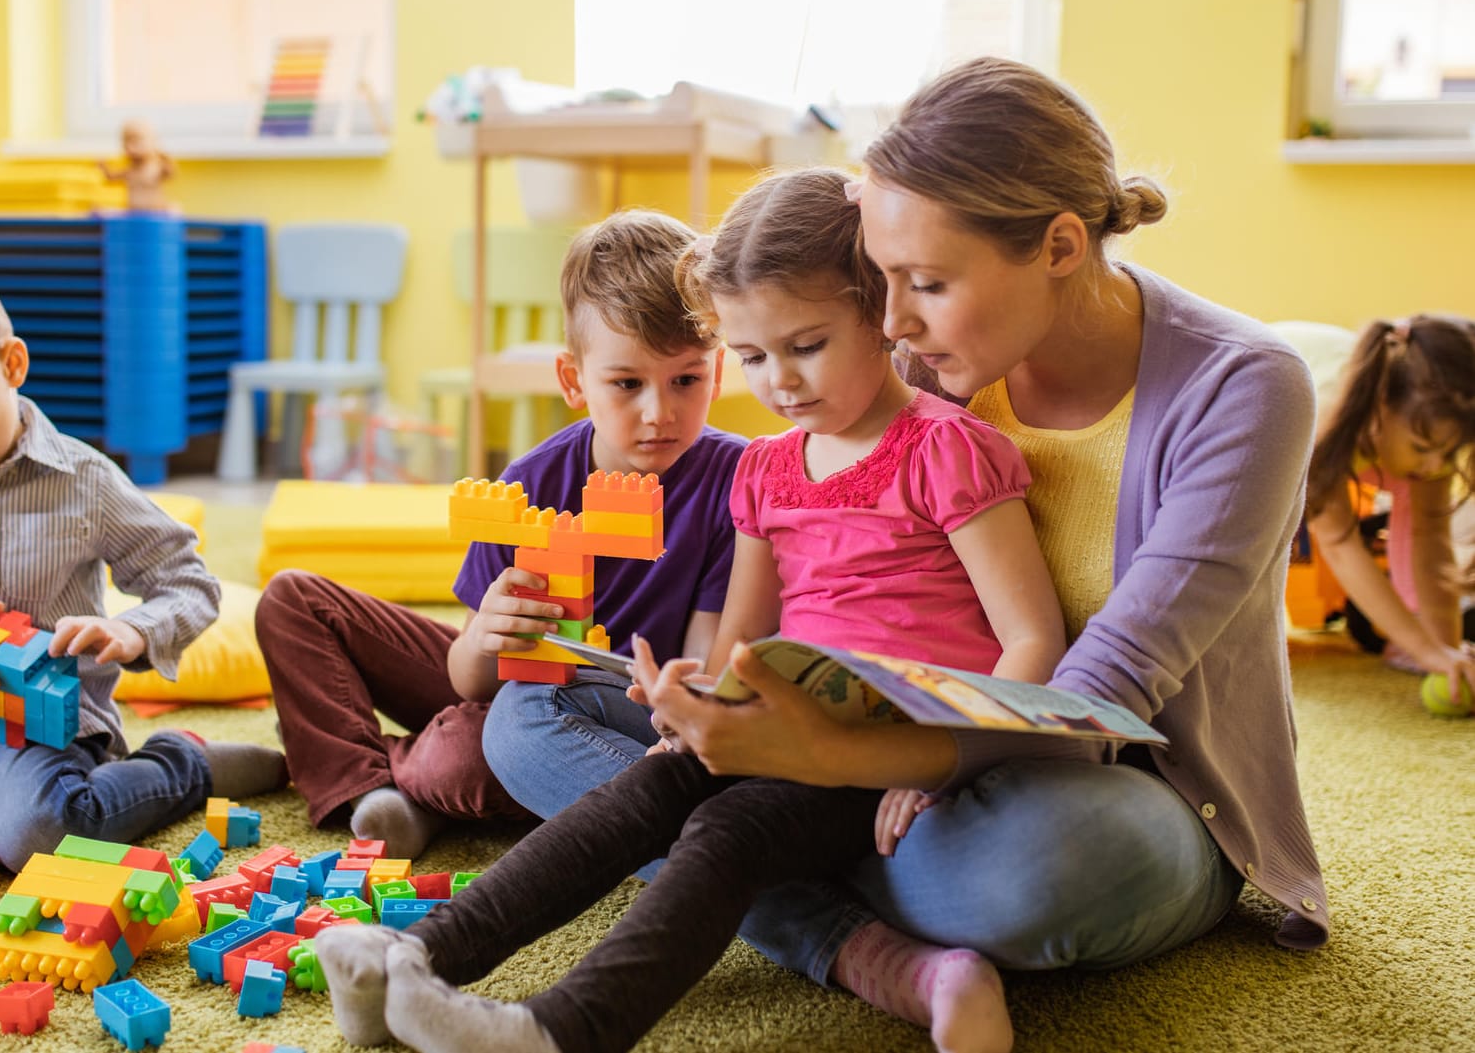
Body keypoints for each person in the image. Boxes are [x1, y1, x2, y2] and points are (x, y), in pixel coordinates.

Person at [495, 57, 1332, 1051]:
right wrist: (730, 705)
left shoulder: (1246, 388)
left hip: (1112, 782)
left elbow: (1100, 697)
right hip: (867, 766)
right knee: (528, 719)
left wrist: (830, 757)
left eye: (925, 283)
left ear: (1060, 245)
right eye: (883, 281)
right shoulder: (916, 351)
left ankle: (764, 861)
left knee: (1015, 875)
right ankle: (820, 890)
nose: (890, 323)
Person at [312, 165, 1066, 1053]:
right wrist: (691, 703)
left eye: (807, 344)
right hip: (788, 731)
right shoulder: (768, 468)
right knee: (646, 788)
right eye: (751, 358)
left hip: (882, 748)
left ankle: (563, 1029)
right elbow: (740, 645)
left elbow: (1032, 640)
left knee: (722, 829)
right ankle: (411, 952)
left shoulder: (945, 450)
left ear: (881, 314)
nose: (779, 381)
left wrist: (937, 759)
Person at [255, 210, 747, 858]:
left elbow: (703, 668)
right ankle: (367, 788)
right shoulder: (530, 482)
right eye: (626, 383)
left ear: (715, 372)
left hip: (612, 709)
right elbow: (468, 678)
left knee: (464, 757)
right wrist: (486, 632)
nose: (660, 412)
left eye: (686, 379)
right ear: (573, 379)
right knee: (292, 600)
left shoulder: (732, 480)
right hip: (511, 686)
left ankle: (394, 775)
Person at [0, 242, 285, 884]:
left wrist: (134, 631)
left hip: (45, 726)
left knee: (38, 838)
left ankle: (182, 763)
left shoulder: (84, 480)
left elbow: (186, 582)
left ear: (11, 364)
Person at [1302, 314, 1475, 701]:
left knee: (1423, 501)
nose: (1436, 466)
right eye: (1423, 448)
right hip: (1248, 421)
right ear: (1382, 404)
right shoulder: (1323, 421)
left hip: (1364, 432)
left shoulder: (1423, 421)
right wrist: (1425, 650)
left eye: (1449, 453)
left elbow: (1430, 538)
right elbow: (1340, 545)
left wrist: (1445, 651)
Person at [98, 119, 177, 213]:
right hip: (133, 213)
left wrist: (163, 157)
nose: (130, 146)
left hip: (156, 213)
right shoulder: (130, 170)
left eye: (136, 141)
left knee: (174, 209)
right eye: (126, 141)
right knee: (107, 212)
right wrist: (104, 168)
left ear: (153, 142)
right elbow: (110, 177)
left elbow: (170, 173)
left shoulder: (156, 167)